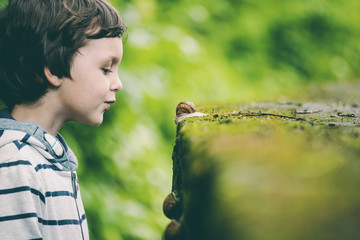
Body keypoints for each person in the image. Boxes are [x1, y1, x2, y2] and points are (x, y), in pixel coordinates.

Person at [0, 0, 127, 239]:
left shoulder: (51, 157)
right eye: (106, 69)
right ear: (54, 69)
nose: (118, 84)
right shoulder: (16, 163)